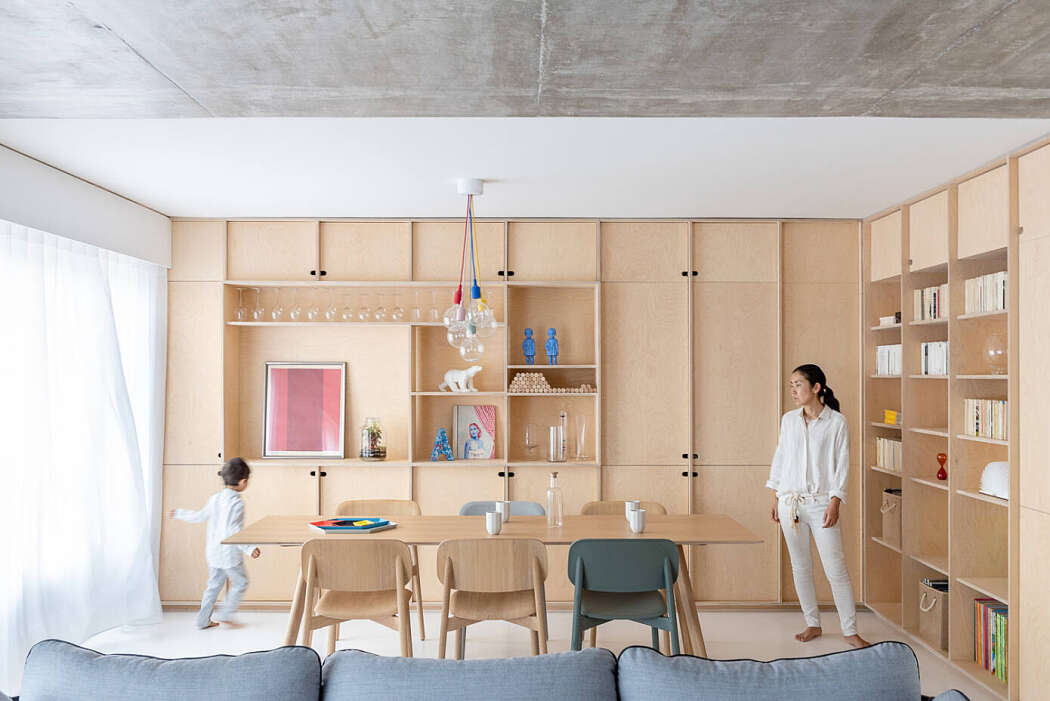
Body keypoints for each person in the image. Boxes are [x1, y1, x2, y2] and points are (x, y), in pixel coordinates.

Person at [767, 364, 869, 649]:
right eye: (791, 385)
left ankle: (850, 631)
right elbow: (781, 457)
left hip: (822, 503)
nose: (793, 390)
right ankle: (812, 623)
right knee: (800, 567)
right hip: (790, 504)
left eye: (798, 384)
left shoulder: (837, 422)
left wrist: (836, 501)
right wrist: (775, 496)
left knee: (836, 569)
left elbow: (842, 465)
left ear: (816, 387)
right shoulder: (789, 420)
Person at [170, 457, 261, 629]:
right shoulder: (236, 503)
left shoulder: (215, 499)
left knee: (212, 587)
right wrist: (249, 548)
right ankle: (226, 614)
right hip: (229, 555)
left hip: (213, 553)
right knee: (241, 582)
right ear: (243, 482)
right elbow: (233, 530)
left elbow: (199, 516)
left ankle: (202, 620)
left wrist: (180, 513)